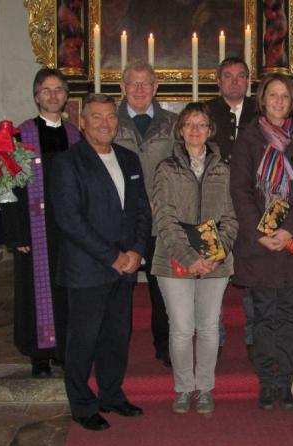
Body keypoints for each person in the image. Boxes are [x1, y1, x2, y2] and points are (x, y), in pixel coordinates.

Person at [50, 94, 152, 431]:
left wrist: (136, 251)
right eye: (97, 117)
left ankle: (111, 394)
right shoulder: (68, 163)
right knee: (83, 339)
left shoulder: (128, 158)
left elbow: (141, 210)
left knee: (116, 336)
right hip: (87, 268)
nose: (105, 123)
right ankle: (82, 404)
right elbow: (70, 220)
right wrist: (113, 256)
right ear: (82, 121)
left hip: (124, 268)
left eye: (110, 117)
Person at [230, 73, 293, 411]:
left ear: (292, 101)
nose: (279, 101)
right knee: (264, 316)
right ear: (262, 99)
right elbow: (239, 190)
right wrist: (261, 232)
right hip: (259, 246)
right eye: (273, 95)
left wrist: (289, 230)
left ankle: (285, 384)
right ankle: (268, 383)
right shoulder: (248, 138)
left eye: (285, 96)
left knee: (287, 315)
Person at [0, 68, 80, 378]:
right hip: (34, 228)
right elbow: (5, 185)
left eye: (58, 90)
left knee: (66, 289)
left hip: (69, 229)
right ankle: (39, 355)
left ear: (67, 97)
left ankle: (63, 350)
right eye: (46, 90)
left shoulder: (76, 136)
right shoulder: (19, 136)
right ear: (35, 96)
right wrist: (16, 233)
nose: (53, 95)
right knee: (35, 292)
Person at [152, 103, 238, 414]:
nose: (195, 130)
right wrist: (190, 258)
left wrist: (217, 254)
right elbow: (164, 218)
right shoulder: (166, 168)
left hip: (216, 261)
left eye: (201, 124)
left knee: (208, 327)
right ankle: (183, 387)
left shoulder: (223, 169)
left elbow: (231, 217)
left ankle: (204, 388)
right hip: (173, 258)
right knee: (181, 328)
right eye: (189, 124)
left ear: (210, 130)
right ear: (181, 129)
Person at [115, 60, 178, 368]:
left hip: (160, 220)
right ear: (122, 87)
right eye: (132, 83)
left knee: (161, 287)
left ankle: (164, 344)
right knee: (117, 289)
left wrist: (164, 201)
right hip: (120, 221)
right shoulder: (107, 121)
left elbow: (181, 168)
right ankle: (115, 347)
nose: (139, 89)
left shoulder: (173, 123)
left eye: (145, 84)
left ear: (155, 88)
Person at [204, 57, 257, 363]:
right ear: (218, 80)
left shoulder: (261, 110)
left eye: (240, 76)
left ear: (248, 81)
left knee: (249, 270)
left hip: (252, 204)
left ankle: (252, 336)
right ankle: (216, 335)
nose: (235, 81)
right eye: (228, 76)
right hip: (214, 203)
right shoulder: (205, 112)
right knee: (215, 270)